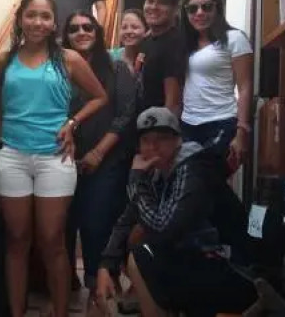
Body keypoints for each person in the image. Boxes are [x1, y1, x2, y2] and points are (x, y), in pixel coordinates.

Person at [0, 0, 108, 317]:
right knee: (17, 240)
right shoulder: (3, 61)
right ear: (20, 19)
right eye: (31, 15)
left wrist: (73, 122)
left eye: (45, 16)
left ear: (54, 23)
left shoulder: (69, 59)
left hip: (55, 158)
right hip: (12, 157)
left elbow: (100, 97)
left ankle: (60, 312)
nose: (37, 22)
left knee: (52, 241)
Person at [95, 107, 257, 317]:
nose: (153, 147)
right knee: (137, 240)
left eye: (161, 139)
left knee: (142, 254)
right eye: (146, 140)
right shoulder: (157, 174)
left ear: (178, 140)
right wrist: (106, 266)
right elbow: (126, 220)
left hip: (236, 272)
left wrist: (136, 182)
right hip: (204, 263)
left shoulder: (193, 168)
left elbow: (164, 228)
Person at [62, 11, 137, 310]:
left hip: (106, 159)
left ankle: (99, 290)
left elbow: (126, 114)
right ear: (65, 36)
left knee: (96, 225)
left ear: (97, 31)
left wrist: (98, 153)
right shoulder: (58, 69)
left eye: (87, 27)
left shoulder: (116, 68)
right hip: (64, 159)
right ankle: (65, 287)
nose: (81, 32)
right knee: (63, 226)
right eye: (74, 28)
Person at [179, 0, 253, 174]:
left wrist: (242, 131)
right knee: (192, 183)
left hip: (221, 122)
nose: (199, 13)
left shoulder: (234, 38)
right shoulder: (185, 44)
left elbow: (245, 87)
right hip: (188, 125)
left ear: (217, 7)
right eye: (192, 9)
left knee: (203, 177)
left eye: (206, 7)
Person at [138, 0, 186, 115]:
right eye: (150, 0)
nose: (154, 7)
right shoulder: (147, 40)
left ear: (175, 9)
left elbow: (173, 105)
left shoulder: (175, 44)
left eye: (163, 2)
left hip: (161, 124)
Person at [109, 8, 148, 75]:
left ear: (146, 31)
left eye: (135, 27)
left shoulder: (152, 59)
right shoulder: (109, 57)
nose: (128, 31)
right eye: (124, 27)